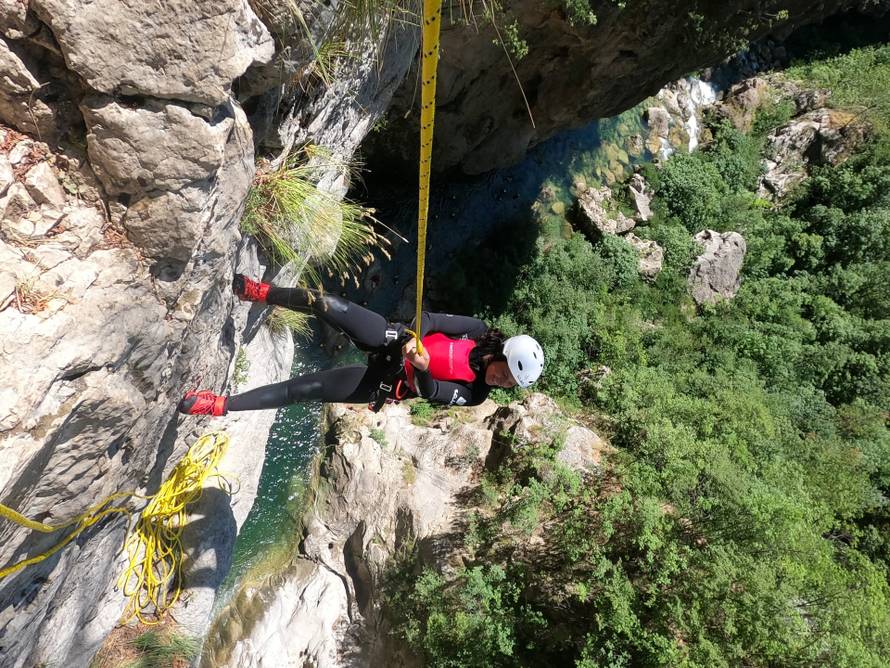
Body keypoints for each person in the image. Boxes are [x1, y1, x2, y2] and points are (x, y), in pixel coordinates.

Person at [177, 274, 545, 416]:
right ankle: (262, 293)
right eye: (507, 375)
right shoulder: (477, 331)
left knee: (308, 387)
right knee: (327, 304)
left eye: (510, 385)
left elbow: (432, 391)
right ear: (502, 354)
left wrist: (421, 366)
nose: (503, 383)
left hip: (390, 381)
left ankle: (219, 405)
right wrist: (414, 337)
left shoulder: (477, 394)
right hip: (395, 340)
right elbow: (432, 320)